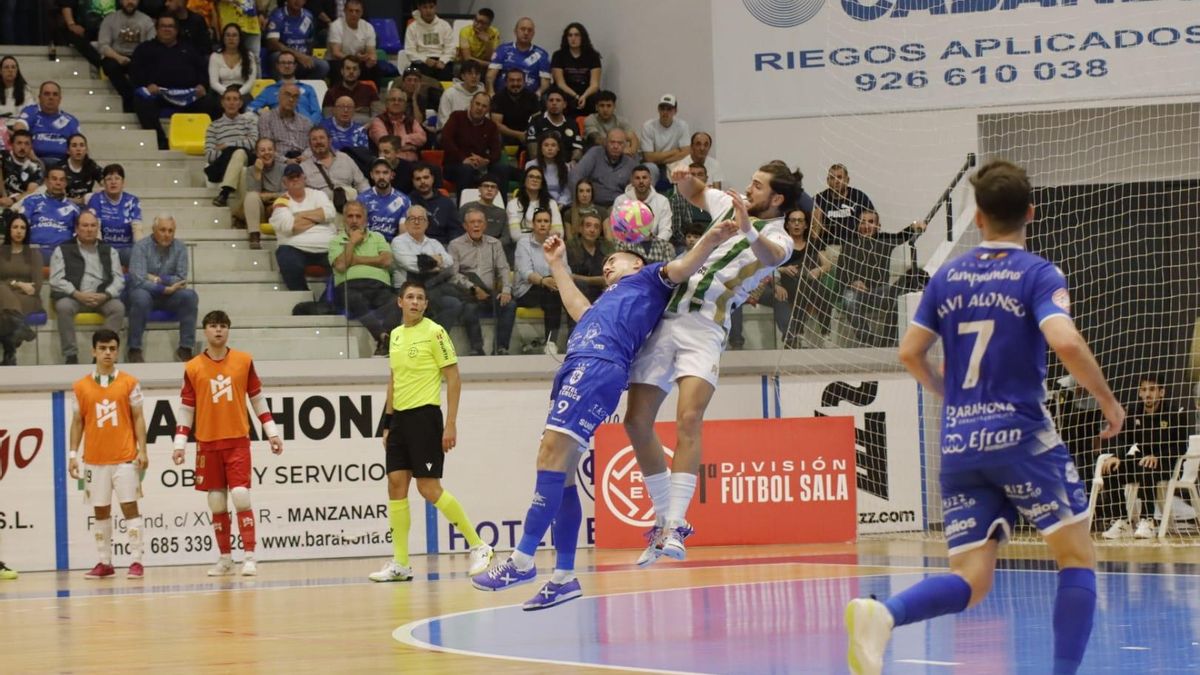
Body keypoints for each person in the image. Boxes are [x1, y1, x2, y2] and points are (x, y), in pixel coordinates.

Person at [844, 160, 1125, 675]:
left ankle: (883, 614)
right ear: (1030, 214)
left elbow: (910, 351)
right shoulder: (1038, 272)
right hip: (1022, 438)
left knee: (972, 579)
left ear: (977, 217)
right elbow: (1063, 340)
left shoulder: (947, 276)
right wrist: (1107, 399)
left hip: (960, 444)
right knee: (1077, 558)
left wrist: (946, 395)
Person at [470, 220, 738, 606]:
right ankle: (563, 578)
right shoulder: (607, 302)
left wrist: (712, 238)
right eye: (606, 262)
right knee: (559, 474)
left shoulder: (648, 281)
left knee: (550, 456)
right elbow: (579, 308)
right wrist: (558, 263)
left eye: (616, 260)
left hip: (597, 366)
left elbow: (681, 266)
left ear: (637, 264)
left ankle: (523, 559)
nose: (608, 265)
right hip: (576, 365)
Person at [626, 165, 797, 566]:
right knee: (635, 422)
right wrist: (681, 173)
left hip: (705, 327)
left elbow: (768, 255)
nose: (749, 187)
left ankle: (677, 525)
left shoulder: (779, 238)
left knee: (688, 418)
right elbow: (694, 190)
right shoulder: (728, 205)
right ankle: (662, 519)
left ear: (776, 200)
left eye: (759, 186)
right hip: (665, 317)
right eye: (751, 180)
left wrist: (747, 227)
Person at [368, 280, 494, 583]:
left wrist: (450, 423)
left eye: (420, 298)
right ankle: (400, 564)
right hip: (399, 420)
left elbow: (453, 378)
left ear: (425, 304)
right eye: (409, 297)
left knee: (428, 488)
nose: (415, 302)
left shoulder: (436, 332)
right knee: (396, 484)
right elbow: (394, 380)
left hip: (426, 417)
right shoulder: (396, 335)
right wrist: (387, 423)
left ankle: (479, 546)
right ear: (400, 302)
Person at [172, 310, 285, 577]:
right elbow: (187, 408)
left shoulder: (244, 361)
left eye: (223, 326)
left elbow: (257, 398)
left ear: (228, 330)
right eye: (213, 326)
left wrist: (272, 432)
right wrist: (179, 444)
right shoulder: (193, 367)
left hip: (237, 441)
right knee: (216, 501)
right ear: (205, 331)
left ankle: (249, 556)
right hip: (207, 443)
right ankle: (225, 558)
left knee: (240, 495)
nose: (218, 330)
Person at [69, 328, 149, 579]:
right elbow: (77, 422)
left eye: (112, 348)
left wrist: (142, 450)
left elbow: (138, 418)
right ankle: (105, 562)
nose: (107, 353)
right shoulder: (80, 386)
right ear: (93, 351)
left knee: (130, 508)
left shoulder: (129, 383)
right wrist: (73, 455)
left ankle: (136, 561)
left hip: (124, 458)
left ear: (117, 351)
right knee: (100, 510)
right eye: (102, 348)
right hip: (94, 460)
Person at [1098, 374, 1193, 539]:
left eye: (1152, 389)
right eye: (1143, 390)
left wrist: (1158, 457)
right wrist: (1116, 456)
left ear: (1161, 392)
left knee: (1146, 466)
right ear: (1140, 393)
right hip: (1141, 461)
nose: (1147, 394)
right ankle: (1122, 522)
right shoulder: (1134, 412)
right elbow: (1124, 440)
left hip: (1167, 464)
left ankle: (1147, 521)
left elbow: (1180, 447)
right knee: (1109, 468)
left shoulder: (1175, 412)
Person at [836, 209, 925, 347]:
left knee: (899, 295)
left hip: (880, 292)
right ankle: (868, 339)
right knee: (848, 298)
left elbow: (902, 236)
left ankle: (888, 340)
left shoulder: (884, 240)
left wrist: (914, 225)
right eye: (862, 222)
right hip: (857, 294)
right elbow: (840, 275)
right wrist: (852, 283)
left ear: (878, 226)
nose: (866, 226)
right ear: (858, 225)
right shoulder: (848, 245)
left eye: (871, 222)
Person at [129, 13, 214, 150]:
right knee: (141, 100)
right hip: (158, 94)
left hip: (188, 96)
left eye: (170, 26)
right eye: (163, 26)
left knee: (210, 102)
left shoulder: (190, 49)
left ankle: (209, 143)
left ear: (176, 30)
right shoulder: (144, 49)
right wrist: (147, 86)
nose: (167, 29)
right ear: (156, 29)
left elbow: (202, 71)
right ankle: (161, 141)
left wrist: (202, 85)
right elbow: (135, 74)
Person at [50, 211, 125, 365]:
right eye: (85, 225)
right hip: (74, 297)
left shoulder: (109, 250)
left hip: (101, 297)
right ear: (77, 229)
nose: (89, 229)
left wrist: (106, 295)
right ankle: (71, 355)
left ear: (98, 228)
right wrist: (77, 294)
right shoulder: (62, 249)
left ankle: (102, 354)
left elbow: (119, 279)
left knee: (118, 308)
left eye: (93, 225)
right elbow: (56, 279)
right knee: (63, 307)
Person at [329, 201, 400, 357]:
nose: (354, 220)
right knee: (354, 299)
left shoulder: (378, 237)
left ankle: (384, 341)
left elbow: (386, 261)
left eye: (358, 216)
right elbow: (341, 266)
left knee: (398, 302)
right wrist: (351, 243)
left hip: (378, 286)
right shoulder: (336, 241)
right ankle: (383, 337)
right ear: (344, 220)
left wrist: (353, 260)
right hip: (349, 287)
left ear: (365, 220)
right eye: (350, 216)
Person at [126, 215, 198, 363]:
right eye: (163, 230)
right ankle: (134, 348)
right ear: (153, 230)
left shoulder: (181, 248)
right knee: (140, 297)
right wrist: (163, 288)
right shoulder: (140, 247)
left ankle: (185, 348)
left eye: (171, 231)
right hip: (145, 293)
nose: (167, 234)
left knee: (190, 296)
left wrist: (157, 278)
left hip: (170, 296)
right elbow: (138, 280)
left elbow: (181, 278)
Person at [448, 206, 514, 355]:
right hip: (467, 293)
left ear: (485, 225)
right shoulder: (455, 245)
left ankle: (501, 348)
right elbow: (452, 274)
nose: (476, 225)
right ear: (465, 226)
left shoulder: (494, 244)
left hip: (489, 293)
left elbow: (504, 268)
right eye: (472, 222)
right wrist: (473, 288)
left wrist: (506, 290)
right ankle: (477, 349)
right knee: (469, 309)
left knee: (509, 304)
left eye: (479, 222)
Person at [389, 203, 461, 329]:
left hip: (432, 288)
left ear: (427, 224)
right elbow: (410, 265)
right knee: (428, 300)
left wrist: (424, 261)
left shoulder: (434, 243)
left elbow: (449, 261)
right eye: (412, 219)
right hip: (406, 289)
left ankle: (437, 340)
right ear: (406, 223)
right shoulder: (398, 242)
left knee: (454, 303)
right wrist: (435, 261)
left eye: (421, 219)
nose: (417, 222)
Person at [270, 163, 337, 290]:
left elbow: (330, 213)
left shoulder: (318, 194)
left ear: (304, 178)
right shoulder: (281, 201)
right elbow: (290, 226)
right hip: (295, 248)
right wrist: (318, 219)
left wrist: (299, 215)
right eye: (291, 177)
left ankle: (328, 300)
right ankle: (303, 298)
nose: (295, 179)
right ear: (284, 182)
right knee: (286, 257)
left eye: (298, 176)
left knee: (345, 259)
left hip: (327, 247)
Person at [513, 209, 562, 351]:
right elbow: (525, 272)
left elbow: (565, 268)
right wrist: (544, 281)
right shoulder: (523, 243)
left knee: (564, 294)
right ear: (533, 224)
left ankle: (572, 342)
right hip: (526, 290)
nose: (542, 224)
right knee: (552, 294)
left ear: (550, 225)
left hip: (550, 286)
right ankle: (551, 342)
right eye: (539, 221)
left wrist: (558, 280)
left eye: (546, 221)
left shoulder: (556, 243)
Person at [98, 0, 157, 113]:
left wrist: (137, 59)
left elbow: (151, 46)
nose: (130, 2)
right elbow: (103, 45)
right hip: (115, 56)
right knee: (110, 66)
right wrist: (119, 58)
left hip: (138, 58)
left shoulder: (146, 20)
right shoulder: (110, 19)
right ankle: (129, 97)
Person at [440, 91, 504, 193]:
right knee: (467, 169)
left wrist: (486, 160)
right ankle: (463, 207)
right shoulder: (457, 117)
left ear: (488, 110)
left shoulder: (491, 126)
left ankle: (501, 206)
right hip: (455, 164)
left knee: (501, 169)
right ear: (471, 103)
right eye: (477, 104)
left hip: (480, 166)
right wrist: (463, 159)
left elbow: (496, 151)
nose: (479, 108)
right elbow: (445, 139)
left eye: (484, 106)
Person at [206, 87, 259, 207]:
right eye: (228, 99)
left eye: (235, 99)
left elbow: (252, 143)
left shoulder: (249, 122)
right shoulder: (213, 126)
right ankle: (239, 212)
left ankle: (224, 193)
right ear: (222, 103)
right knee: (240, 161)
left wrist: (226, 145)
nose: (231, 102)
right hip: (223, 164)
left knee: (239, 153)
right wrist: (235, 146)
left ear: (240, 103)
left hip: (246, 159)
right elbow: (210, 156)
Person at [0, 215, 42, 365]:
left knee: (4, 310)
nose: (19, 231)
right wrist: (18, 284)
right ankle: (18, 329)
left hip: (28, 299)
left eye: (22, 228)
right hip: (5, 297)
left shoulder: (34, 254)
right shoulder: (0, 252)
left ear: (27, 232)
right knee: (2, 292)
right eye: (15, 227)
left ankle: (9, 354)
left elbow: (36, 286)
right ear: (9, 229)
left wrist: (10, 285)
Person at [85, 164, 143, 266]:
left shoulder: (132, 200)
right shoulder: (96, 199)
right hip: (104, 248)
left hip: (126, 249)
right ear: (103, 183)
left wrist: (140, 251)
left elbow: (137, 229)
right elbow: (95, 229)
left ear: (123, 182)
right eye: (108, 179)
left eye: (117, 178)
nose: (113, 182)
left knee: (139, 257)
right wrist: (101, 251)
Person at [21, 166, 81, 261]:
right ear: (46, 182)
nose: (58, 183)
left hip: (62, 256)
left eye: (61, 180)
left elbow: (79, 235)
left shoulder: (74, 208)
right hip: (33, 254)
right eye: (54, 179)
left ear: (65, 183)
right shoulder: (31, 201)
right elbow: (21, 226)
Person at [567, 128, 637, 208]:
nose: (615, 146)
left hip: (617, 207)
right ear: (605, 142)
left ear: (625, 145)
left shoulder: (630, 164)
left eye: (620, 143)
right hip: (592, 205)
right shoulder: (595, 153)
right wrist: (579, 202)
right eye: (612, 142)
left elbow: (634, 191)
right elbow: (574, 176)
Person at [16, 82, 82, 167]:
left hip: (63, 165)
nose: (51, 97)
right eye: (47, 94)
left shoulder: (70, 120)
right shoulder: (31, 112)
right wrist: (29, 151)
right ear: (40, 97)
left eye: (55, 94)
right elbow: (18, 128)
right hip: (33, 161)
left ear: (60, 99)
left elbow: (79, 144)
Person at [236, 137, 284, 249]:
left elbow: (286, 194)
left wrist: (268, 195)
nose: (267, 153)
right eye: (262, 150)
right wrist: (258, 172)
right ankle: (254, 235)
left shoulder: (283, 169)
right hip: (259, 212)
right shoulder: (250, 170)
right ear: (257, 154)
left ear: (275, 151)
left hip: (277, 209)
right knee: (251, 196)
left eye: (270, 149)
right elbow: (252, 195)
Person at [812, 163, 875, 247]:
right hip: (828, 247)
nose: (836, 181)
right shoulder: (819, 199)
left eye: (839, 177)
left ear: (847, 180)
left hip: (856, 245)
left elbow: (873, 222)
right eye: (832, 178)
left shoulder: (859, 197)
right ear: (827, 181)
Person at [300, 126, 368, 203]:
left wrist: (366, 201)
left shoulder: (344, 158)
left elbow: (362, 183)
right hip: (320, 208)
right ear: (310, 144)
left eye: (322, 138)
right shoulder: (303, 167)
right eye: (314, 139)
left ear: (329, 140)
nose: (318, 142)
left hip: (348, 207)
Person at [247, 55, 322, 124]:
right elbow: (250, 108)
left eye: (290, 63)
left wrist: (308, 125)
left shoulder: (308, 88)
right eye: (283, 63)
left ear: (295, 66)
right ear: (277, 66)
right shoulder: (269, 90)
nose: (286, 66)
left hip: (307, 128)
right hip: (281, 128)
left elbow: (317, 113)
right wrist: (260, 111)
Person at [264, 0, 329, 79]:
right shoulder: (277, 15)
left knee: (323, 66)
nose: (297, 1)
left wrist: (307, 56)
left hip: (303, 58)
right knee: (276, 57)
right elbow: (272, 43)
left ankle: (304, 87)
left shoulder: (308, 16)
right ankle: (281, 87)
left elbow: (311, 41)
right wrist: (297, 55)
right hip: (284, 56)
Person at [486, 17, 550, 97]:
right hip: (502, 98)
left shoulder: (541, 54)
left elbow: (545, 83)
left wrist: (537, 95)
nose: (526, 33)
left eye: (529, 30)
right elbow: (490, 76)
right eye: (523, 29)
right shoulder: (503, 49)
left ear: (533, 34)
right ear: (515, 31)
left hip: (529, 100)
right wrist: (491, 93)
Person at [327, 0, 384, 85]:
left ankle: (373, 95)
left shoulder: (368, 27)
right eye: (351, 11)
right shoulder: (336, 26)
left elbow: (371, 52)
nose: (354, 14)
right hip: (339, 61)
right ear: (345, 11)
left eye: (357, 11)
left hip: (359, 62)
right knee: (339, 67)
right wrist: (354, 59)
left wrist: (371, 59)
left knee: (374, 67)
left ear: (362, 13)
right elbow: (336, 53)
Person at [550, 23, 601, 117]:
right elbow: (560, 83)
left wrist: (584, 96)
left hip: (586, 90)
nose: (573, 38)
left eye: (577, 35)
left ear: (583, 37)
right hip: (567, 90)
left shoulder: (593, 56)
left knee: (596, 99)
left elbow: (595, 85)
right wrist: (576, 96)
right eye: (570, 35)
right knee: (563, 100)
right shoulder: (558, 55)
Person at [638, 94, 690, 186]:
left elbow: (686, 152)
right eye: (662, 108)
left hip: (673, 162)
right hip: (653, 164)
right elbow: (648, 157)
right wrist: (674, 151)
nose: (665, 112)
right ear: (658, 110)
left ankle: (678, 198)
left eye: (669, 109)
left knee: (683, 165)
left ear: (675, 111)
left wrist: (658, 158)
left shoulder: (682, 125)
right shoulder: (648, 126)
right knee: (650, 168)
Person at [613, 165, 672, 243]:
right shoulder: (620, 200)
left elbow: (665, 230)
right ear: (632, 181)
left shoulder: (662, 201)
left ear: (650, 180)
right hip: (628, 245)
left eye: (644, 178)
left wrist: (655, 246)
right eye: (637, 178)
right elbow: (618, 228)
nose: (641, 181)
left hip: (654, 245)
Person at [255, 81, 315, 157]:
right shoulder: (266, 118)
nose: (291, 99)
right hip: (278, 162)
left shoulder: (306, 122)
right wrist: (285, 161)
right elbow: (267, 148)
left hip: (303, 161)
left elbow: (310, 147)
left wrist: (304, 157)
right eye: (287, 95)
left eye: (295, 96)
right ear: (279, 96)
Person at [566, 212, 614, 304]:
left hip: (603, 296)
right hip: (577, 297)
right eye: (588, 226)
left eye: (596, 227)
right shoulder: (570, 247)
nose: (592, 230)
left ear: (600, 231)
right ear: (580, 228)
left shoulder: (607, 247)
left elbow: (609, 278)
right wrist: (597, 280)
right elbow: (568, 278)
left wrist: (582, 278)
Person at [357, 159, 410, 242]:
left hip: (392, 244)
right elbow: (359, 229)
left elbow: (403, 233)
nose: (381, 176)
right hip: (368, 242)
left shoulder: (404, 200)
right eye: (377, 172)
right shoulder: (362, 199)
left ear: (392, 175)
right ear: (371, 175)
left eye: (385, 172)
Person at [367, 88, 426, 162]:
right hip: (389, 164)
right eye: (393, 100)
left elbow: (422, 138)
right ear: (386, 104)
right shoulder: (378, 121)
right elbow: (386, 144)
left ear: (405, 104)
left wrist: (400, 140)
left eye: (400, 100)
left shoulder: (411, 120)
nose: (396, 102)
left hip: (413, 164)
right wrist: (411, 147)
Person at [401, 0, 455, 81]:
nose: (428, 11)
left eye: (431, 7)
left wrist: (443, 61)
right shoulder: (412, 28)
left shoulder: (445, 25)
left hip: (441, 61)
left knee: (446, 75)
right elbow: (410, 51)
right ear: (419, 8)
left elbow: (450, 49)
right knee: (417, 74)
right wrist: (425, 60)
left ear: (435, 8)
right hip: (420, 62)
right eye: (425, 7)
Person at [408, 163, 460, 246]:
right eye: (418, 179)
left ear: (432, 178)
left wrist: (452, 248)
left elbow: (455, 230)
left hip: (442, 245)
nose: (422, 181)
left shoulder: (447, 202)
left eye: (426, 177)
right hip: (415, 245)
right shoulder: (407, 202)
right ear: (413, 181)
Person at [508, 165, 563, 243]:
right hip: (523, 247)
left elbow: (560, 232)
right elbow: (515, 235)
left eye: (538, 178)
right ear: (524, 181)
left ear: (542, 183)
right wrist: (543, 236)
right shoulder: (513, 204)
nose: (534, 180)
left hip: (548, 246)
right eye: (531, 177)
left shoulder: (551, 203)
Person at [525, 89, 582, 163]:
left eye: (558, 100)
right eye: (551, 100)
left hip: (566, 166)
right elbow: (532, 149)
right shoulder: (536, 121)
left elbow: (577, 148)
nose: (554, 103)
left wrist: (574, 161)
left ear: (564, 104)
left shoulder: (572, 124)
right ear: (546, 104)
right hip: (541, 165)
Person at [209, 23, 259, 103]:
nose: (231, 38)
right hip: (222, 92)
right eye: (228, 35)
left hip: (243, 93)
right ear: (223, 38)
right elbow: (214, 83)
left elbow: (250, 81)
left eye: (234, 35)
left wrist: (238, 94)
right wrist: (228, 94)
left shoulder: (249, 56)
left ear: (240, 38)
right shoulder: (215, 56)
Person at [0, 129, 45, 209]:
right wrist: (4, 196)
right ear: (12, 144)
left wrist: (12, 200)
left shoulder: (34, 167)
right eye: (19, 143)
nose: (23, 147)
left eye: (27, 144)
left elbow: (31, 191)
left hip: (19, 203)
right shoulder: (3, 156)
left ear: (31, 147)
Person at [436, 60, 486, 131]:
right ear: (463, 76)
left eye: (477, 73)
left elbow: (486, 121)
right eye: (470, 73)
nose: (474, 76)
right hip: (451, 132)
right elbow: (443, 121)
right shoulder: (449, 93)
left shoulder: (484, 95)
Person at [526, 131, 572, 206]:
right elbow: (528, 189)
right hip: (536, 202)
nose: (550, 149)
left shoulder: (566, 167)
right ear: (541, 148)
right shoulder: (531, 165)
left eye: (553, 145)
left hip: (559, 204)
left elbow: (567, 191)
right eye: (546, 145)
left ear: (558, 148)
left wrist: (560, 204)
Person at [562, 178, 607, 242]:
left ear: (592, 193)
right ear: (576, 194)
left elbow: (608, 237)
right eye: (581, 191)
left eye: (588, 191)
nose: (585, 195)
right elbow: (570, 241)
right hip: (577, 249)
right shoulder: (569, 213)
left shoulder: (602, 211)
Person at [62, 134, 102, 206]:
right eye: (74, 145)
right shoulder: (60, 168)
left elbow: (106, 183)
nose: (78, 149)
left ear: (86, 150)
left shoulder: (92, 165)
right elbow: (59, 196)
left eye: (82, 145)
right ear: (68, 150)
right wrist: (80, 201)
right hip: (66, 206)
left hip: (88, 206)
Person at [0, 56, 34, 120]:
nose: (10, 70)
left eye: (13, 67)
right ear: (0, 71)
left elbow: (30, 112)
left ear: (17, 71)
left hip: (19, 126)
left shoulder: (26, 90)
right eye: (6, 67)